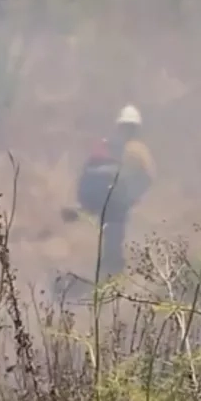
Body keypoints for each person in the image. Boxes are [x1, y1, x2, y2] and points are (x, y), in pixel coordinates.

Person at [73, 104, 156, 279]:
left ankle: (108, 271)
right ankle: (111, 273)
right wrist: (135, 196)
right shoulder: (136, 149)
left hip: (108, 200)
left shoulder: (110, 145)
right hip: (116, 201)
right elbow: (149, 176)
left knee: (111, 235)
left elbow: (87, 173)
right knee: (114, 235)